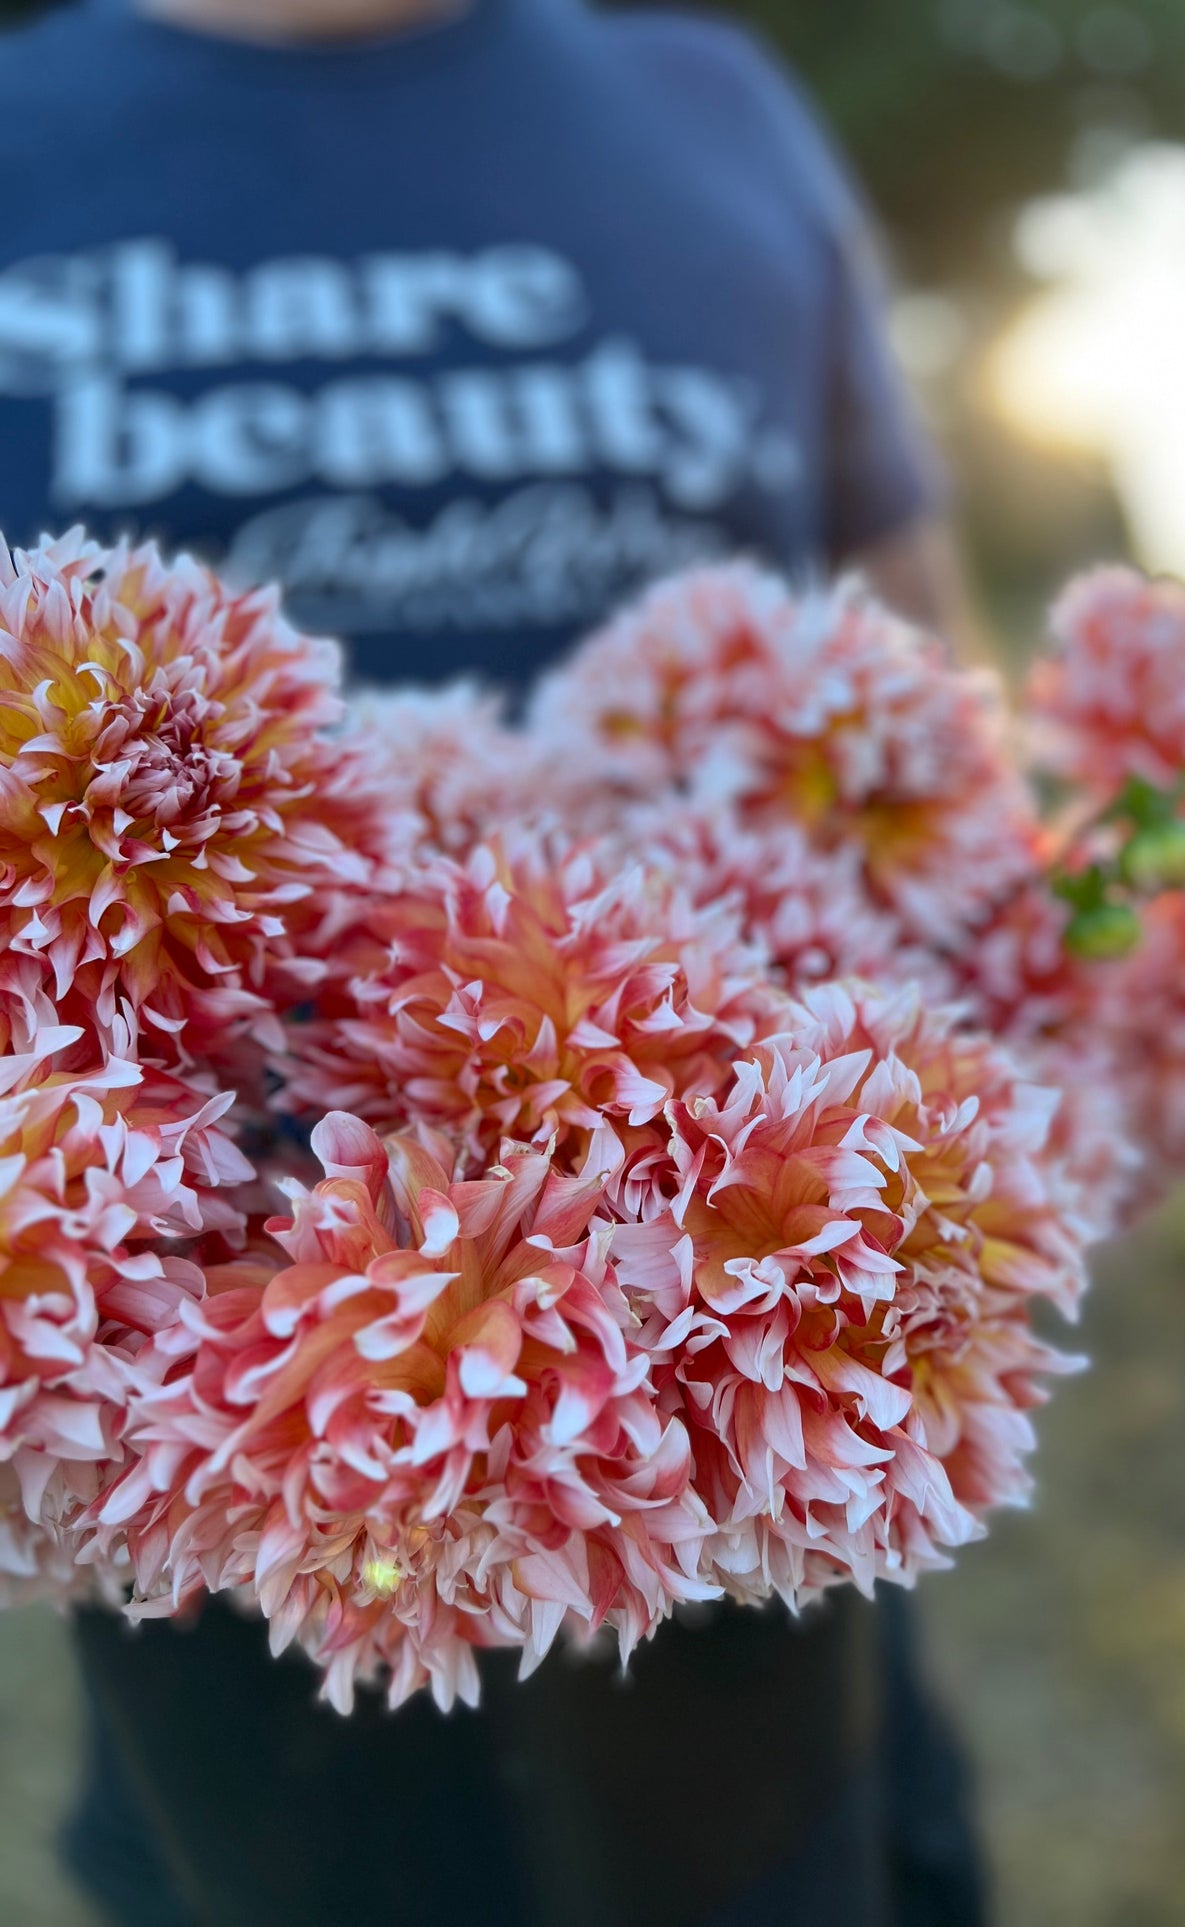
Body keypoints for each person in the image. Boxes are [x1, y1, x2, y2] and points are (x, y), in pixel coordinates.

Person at [0, 2, 989, 1921]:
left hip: (742, 1394)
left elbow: (917, 670)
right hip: (211, 1498)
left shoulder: (714, 105)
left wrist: (1043, 973)